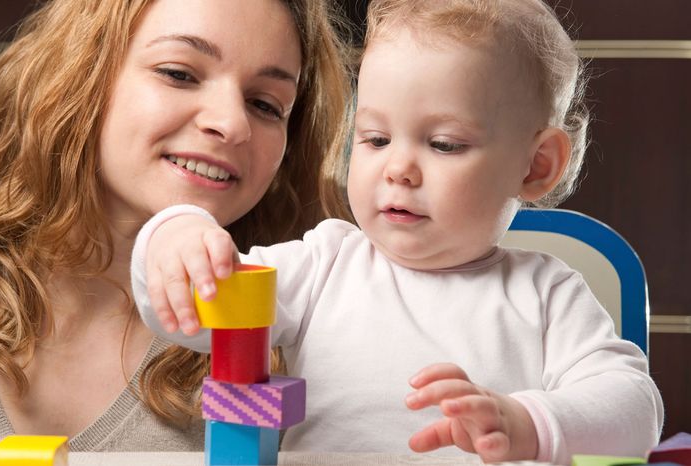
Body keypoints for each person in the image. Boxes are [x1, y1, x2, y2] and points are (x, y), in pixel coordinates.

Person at [131, 0, 664, 464]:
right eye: (376, 138)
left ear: (535, 166)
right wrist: (175, 236)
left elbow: (634, 410)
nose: (398, 169)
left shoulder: (548, 294)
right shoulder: (325, 263)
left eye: (444, 144)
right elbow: (199, 320)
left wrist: (526, 422)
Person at [0, 0, 351, 463]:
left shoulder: (306, 331)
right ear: (81, 73)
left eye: (266, 104)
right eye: (178, 74)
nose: (230, 123)